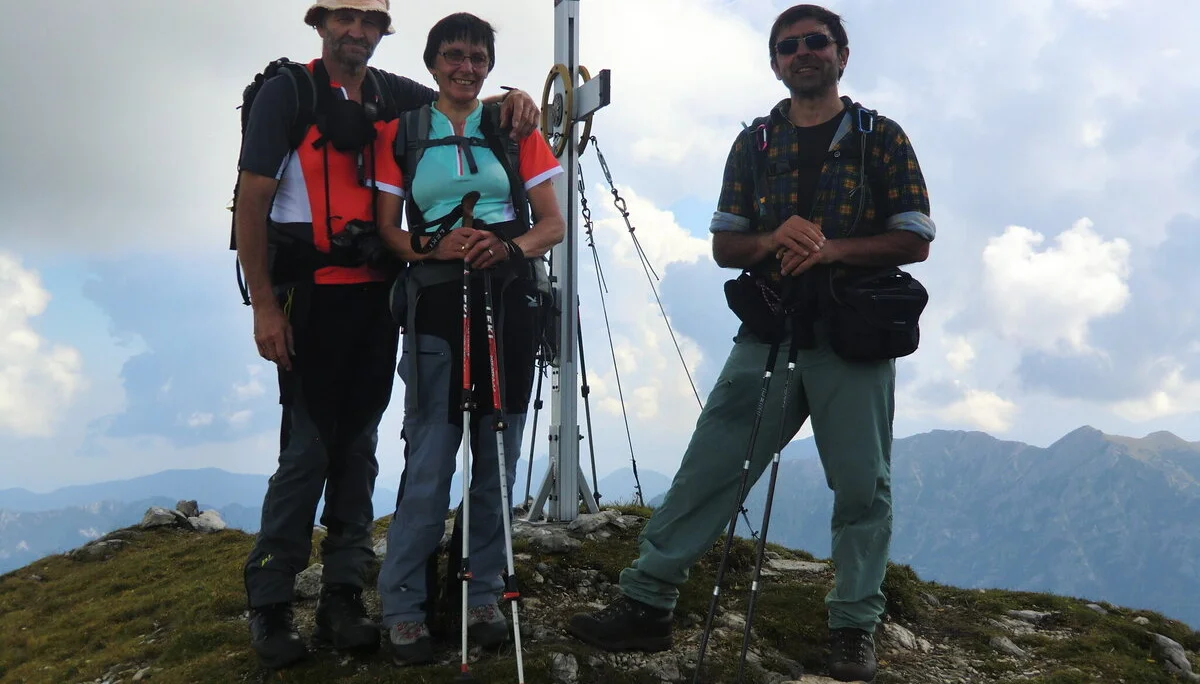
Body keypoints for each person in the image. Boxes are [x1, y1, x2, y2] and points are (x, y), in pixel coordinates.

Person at [566, 4, 935, 682]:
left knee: (861, 486)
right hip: (770, 327)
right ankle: (648, 600)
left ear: (841, 55)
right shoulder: (756, 144)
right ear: (776, 64)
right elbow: (725, 244)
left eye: (816, 42)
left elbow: (915, 237)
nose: (803, 53)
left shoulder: (881, 138)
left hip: (851, 337)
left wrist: (827, 251)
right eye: (789, 46)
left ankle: (854, 626)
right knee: (713, 464)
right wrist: (772, 239)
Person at [235, 0, 540, 670]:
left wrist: (521, 102)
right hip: (309, 296)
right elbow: (252, 197)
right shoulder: (288, 92)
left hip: (382, 296)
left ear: (383, 32)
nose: (357, 30)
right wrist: (264, 304)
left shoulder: (390, 94)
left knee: (363, 446)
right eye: (345, 17)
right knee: (309, 447)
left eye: (371, 21)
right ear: (320, 23)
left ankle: (343, 594)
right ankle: (272, 600)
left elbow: (462, 95)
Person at [372, 12, 566, 666]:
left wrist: (505, 244)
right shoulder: (402, 134)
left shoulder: (516, 130)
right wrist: (433, 244)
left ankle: (481, 593)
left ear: (487, 64)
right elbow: (390, 232)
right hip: (433, 303)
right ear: (432, 64)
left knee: (497, 453)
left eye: (477, 56)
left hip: (509, 302)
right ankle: (402, 604)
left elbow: (552, 224)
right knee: (429, 457)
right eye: (453, 55)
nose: (466, 66)